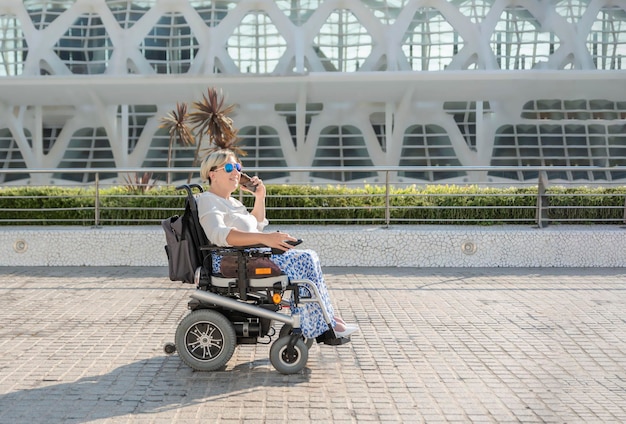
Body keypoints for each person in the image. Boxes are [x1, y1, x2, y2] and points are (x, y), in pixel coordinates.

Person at [196, 148, 358, 339]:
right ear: (212, 174)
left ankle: (324, 318)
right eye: (229, 167)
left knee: (309, 256)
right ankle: (319, 324)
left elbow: (255, 226)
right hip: (230, 262)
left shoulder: (232, 202)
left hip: (248, 256)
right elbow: (219, 235)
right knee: (305, 259)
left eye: (238, 167)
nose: (236, 172)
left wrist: (260, 196)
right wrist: (265, 239)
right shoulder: (208, 200)